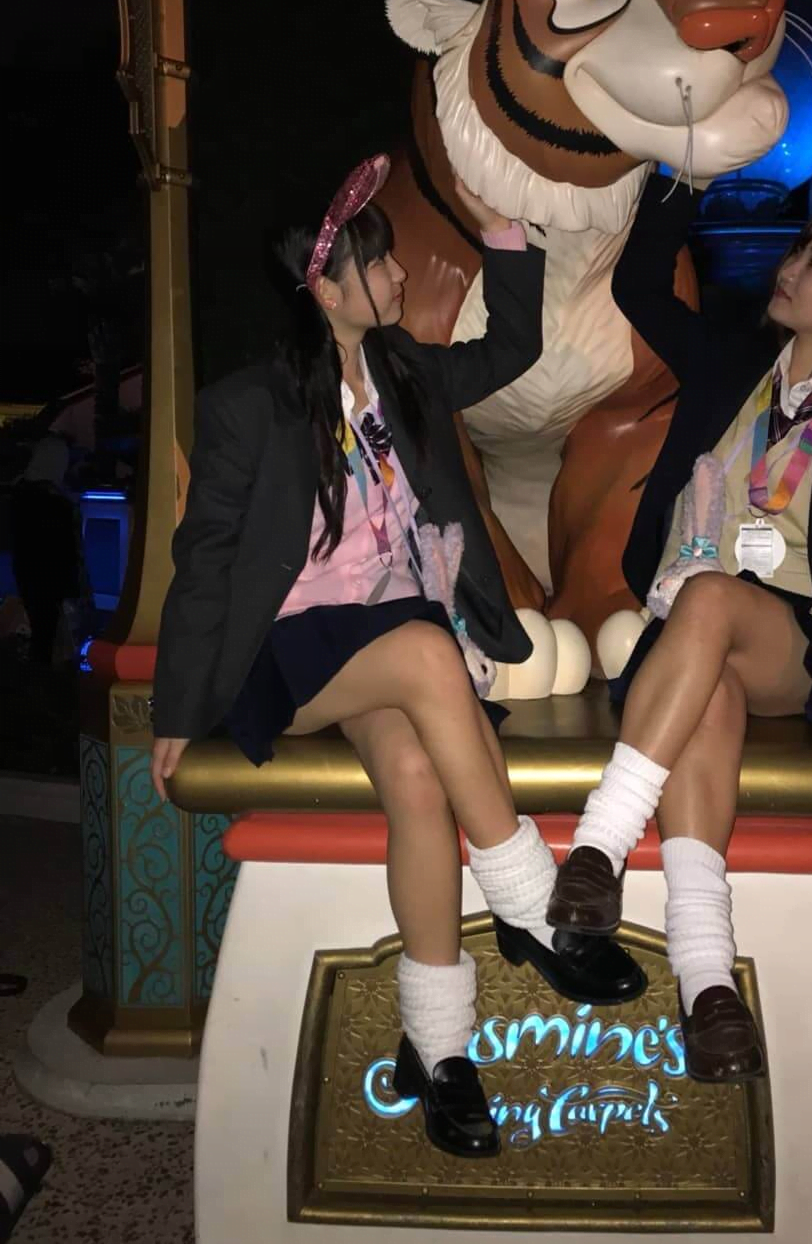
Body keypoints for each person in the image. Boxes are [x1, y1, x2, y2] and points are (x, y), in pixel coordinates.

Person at [150, 156, 643, 1159]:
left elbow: (513, 346)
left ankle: (440, 1053)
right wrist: (174, 710)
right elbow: (203, 560)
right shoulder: (248, 404)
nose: (398, 276)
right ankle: (533, 908)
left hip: (387, 639)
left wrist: (504, 233)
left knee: (417, 779)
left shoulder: (406, 373)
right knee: (422, 650)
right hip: (292, 650)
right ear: (324, 291)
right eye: (375, 266)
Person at [547, 161, 812, 1082]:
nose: (791, 268)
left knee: (717, 602)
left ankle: (599, 845)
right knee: (708, 687)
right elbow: (641, 287)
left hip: (791, 639)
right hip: (686, 635)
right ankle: (708, 985)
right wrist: (682, 178)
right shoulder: (731, 363)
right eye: (799, 250)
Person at [9, 432, 80, 666]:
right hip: (49, 575)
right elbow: (65, 548)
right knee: (48, 630)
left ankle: (39, 669)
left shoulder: (21, 492)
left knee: (41, 628)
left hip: (27, 570)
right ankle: (45, 673)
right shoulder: (54, 501)